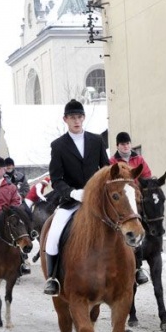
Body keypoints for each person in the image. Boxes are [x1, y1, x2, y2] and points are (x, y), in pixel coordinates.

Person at [43, 99, 109, 295]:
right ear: (65, 119)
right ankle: (53, 278)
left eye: (79, 117)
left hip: (96, 200)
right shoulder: (58, 146)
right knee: (53, 235)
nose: (76, 121)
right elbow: (56, 179)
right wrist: (72, 192)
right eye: (72, 117)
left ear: (84, 118)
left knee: (123, 224)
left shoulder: (97, 141)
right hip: (71, 201)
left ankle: (135, 269)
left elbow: (106, 170)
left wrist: (97, 191)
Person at [109, 132, 152, 285]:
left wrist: (140, 189)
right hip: (121, 199)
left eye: (128, 143)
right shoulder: (112, 161)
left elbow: (147, 176)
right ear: (117, 146)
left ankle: (139, 267)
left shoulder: (138, 159)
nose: (126, 146)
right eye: (122, 144)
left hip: (136, 196)